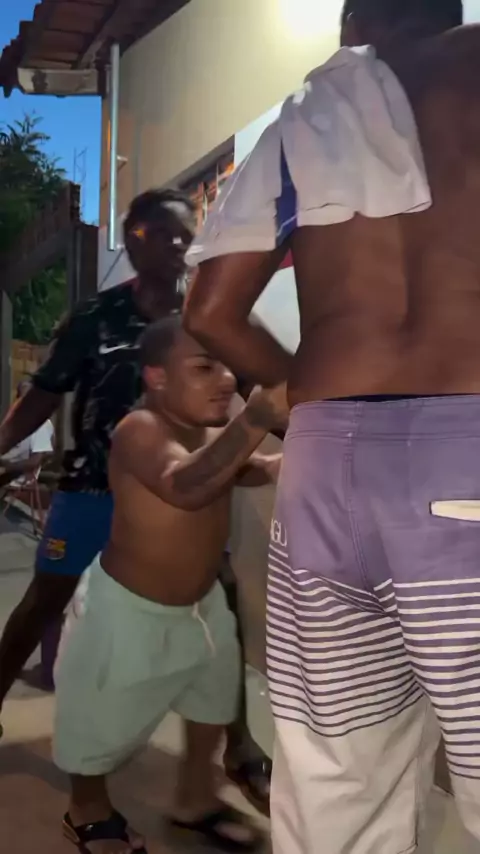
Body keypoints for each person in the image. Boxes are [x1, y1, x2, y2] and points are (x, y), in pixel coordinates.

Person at [183, 2, 480, 852]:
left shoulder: (309, 114)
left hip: (323, 470)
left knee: (339, 784)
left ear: (359, 22)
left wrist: (304, 390)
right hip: (465, 460)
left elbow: (208, 311)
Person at [54, 315, 284, 854]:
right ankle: (86, 808)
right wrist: (257, 417)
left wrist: (276, 463)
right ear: (156, 377)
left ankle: (195, 797)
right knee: (97, 717)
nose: (225, 379)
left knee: (213, 702)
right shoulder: (141, 429)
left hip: (201, 608)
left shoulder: (207, 431)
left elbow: (233, 467)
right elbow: (184, 483)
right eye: (204, 367)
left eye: (228, 367)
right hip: (127, 613)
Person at [0, 188, 195, 730]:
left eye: (185, 234)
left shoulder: (207, 317)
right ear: (134, 240)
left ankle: (236, 740)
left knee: (213, 598)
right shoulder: (95, 316)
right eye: (163, 233)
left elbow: (251, 387)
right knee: (45, 598)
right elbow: (44, 394)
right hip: (92, 487)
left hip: (179, 493)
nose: (177, 244)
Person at [0, 380, 54, 490]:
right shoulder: (15, 421)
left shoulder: (40, 425)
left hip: (13, 478)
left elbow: (35, 461)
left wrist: (5, 465)